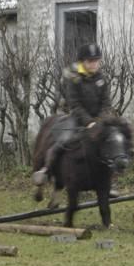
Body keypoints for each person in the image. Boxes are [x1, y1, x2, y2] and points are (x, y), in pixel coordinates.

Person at [32, 43, 112, 186]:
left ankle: (109, 181)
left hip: (98, 120)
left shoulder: (102, 78)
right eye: (90, 61)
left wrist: (100, 120)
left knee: (113, 141)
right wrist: (88, 122)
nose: (94, 64)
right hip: (77, 118)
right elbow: (74, 104)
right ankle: (46, 169)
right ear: (83, 62)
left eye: (96, 61)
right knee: (63, 140)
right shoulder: (74, 78)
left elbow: (106, 104)